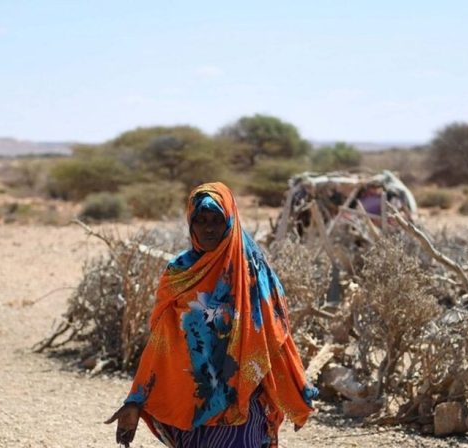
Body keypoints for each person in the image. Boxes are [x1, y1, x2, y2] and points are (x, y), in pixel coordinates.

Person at [106, 182, 317, 448]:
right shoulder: (179, 273)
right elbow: (161, 343)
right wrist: (135, 400)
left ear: (229, 221)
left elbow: (274, 338)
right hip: (189, 400)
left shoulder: (252, 272)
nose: (208, 228)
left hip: (242, 398)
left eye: (217, 220)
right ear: (190, 224)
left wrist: (294, 395)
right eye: (201, 220)